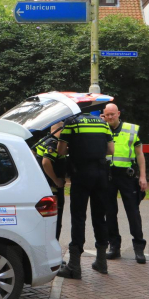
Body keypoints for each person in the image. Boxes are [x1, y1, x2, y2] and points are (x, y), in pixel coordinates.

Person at [56, 112, 114, 279]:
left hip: (81, 174)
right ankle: (101, 262)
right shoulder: (102, 124)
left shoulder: (72, 123)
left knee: (78, 217)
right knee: (99, 216)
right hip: (101, 175)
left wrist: (73, 147)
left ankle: (74, 266)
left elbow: (61, 151)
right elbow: (111, 149)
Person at [101, 103, 148, 264]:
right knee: (110, 213)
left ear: (119, 113)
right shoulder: (101, 129)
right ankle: (114, 247)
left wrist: (143, 176)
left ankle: (139, 248)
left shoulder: (131, 129)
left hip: (127, 176)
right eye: (107, 115)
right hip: (108, 176)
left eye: (113, 114)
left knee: (133, 212)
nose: (110, 117)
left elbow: (140, 154)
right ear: (103, 115)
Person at [34, 123, 66, 240]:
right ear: (60, 130)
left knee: (45, 221)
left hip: (43, 186)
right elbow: (46, 162)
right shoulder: (53, 143)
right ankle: (53, 250)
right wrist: (56, 180)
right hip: (53, 188)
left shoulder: (44, 139)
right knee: (55, 222)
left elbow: (32, 152)